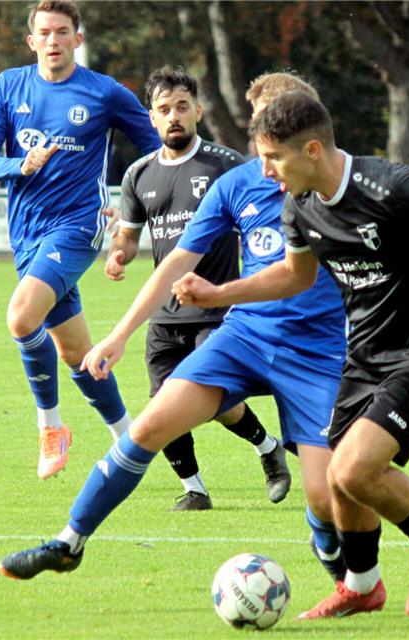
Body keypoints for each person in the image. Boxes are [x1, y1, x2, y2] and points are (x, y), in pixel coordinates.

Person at [0, 72, 409, 585]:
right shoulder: (237, 185)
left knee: (326, 494)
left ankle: (335, 556)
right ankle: (69, 542)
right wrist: (121, 333)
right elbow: (176, 262)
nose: (264, 146)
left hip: (319, 351)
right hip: (243, 338)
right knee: (150, 425)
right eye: (259, 128)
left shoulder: (331, 182)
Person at [173, 91, 409, 620]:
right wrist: (219, 293)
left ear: (312, 149)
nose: (265, 172)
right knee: (338, 477)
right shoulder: (300, 206)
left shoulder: (389, 186)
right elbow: (295, 276)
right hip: (365, 355)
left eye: (273, 158)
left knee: (355, 470)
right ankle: (362, 585)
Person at [0, 0, 161, 480]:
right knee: (77, 354)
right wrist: (21, 164)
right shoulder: (9, 86)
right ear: (31, 41)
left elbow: (157, 149)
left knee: (20, 316)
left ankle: (50, 427)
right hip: (27, 232)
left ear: (78, 38)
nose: (53, 41)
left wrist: (132, 202)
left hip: (79, 225)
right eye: (44, 33)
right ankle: (129, 441)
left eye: (62, 32)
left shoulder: (104, 92)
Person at [108, 66, 290, 511]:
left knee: (211, 398)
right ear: (152, 118)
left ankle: (267, 447)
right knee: (161, 406)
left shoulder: (226, 167)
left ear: (199, 112)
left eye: (182, 107)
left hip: (220, 310)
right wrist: (118, 253)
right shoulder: (138, 175)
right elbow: (129, 237)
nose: (174, 116)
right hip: (165, 315)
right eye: (164, 109)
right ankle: (195, 489)